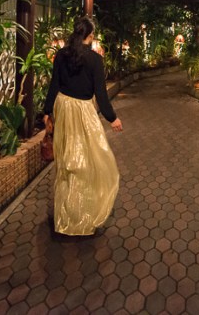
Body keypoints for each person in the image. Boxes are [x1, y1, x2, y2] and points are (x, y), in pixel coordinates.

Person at [43, 17, 123, 236]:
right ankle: (83, 215)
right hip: (83, 111)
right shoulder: (95, 60)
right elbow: (101, 94)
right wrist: (112, 118)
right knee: (89, 160)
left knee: (68, 163)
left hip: (63, 108)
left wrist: (47, 111)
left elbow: (54, 85)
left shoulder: (61, 55)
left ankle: (67, 217)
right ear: (91, 35)